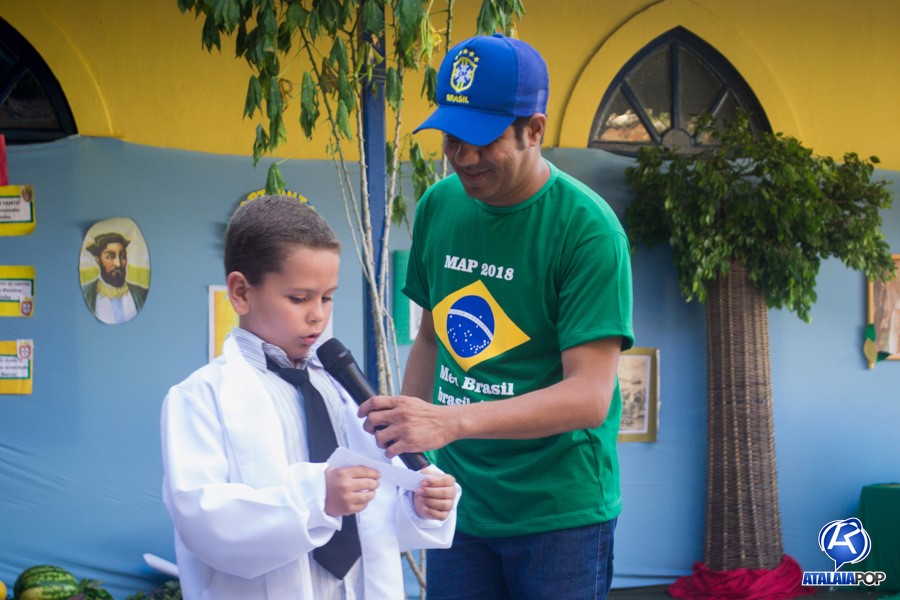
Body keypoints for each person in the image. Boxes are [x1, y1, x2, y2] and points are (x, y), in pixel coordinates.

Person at [357, 34, 635, 599]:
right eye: (451, 138)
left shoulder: (588, 231)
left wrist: (451, 422)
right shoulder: (440, 206)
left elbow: (589, 397)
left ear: (534, 130)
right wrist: (413, 456)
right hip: (459, 500)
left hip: (559, 514)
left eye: (483, 140)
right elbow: (431, 339)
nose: (463, 156)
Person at [161, 195, 459, 599]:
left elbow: (371, 517)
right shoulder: (199, 397)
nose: (317, 314)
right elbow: (202, 520)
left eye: (327, 296)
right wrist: (318, 498)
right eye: (299, 298)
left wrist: (419, 505)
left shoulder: (342, 388)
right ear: (241, 292)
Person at [81, 231, 148, 324]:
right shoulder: (87, 292)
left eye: (122, 256)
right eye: (110, 256)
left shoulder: (141, 293)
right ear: (98, 260)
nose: (118, 263)